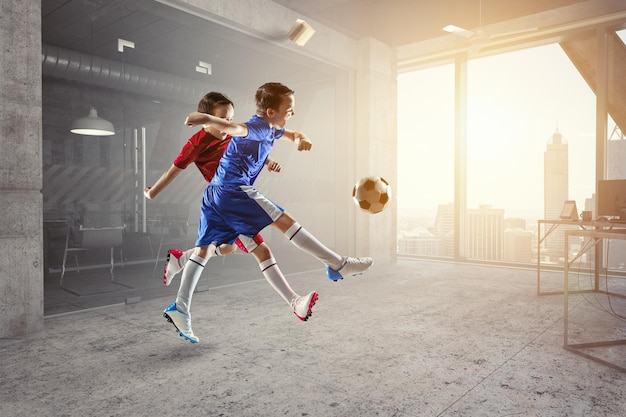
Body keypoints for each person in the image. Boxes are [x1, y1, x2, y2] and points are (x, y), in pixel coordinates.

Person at [164, 82, 373, 344]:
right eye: (290, 109)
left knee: (214, 250)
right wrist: (205, 118)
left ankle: (181, 305)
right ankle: (337, 264)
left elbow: (291, 132)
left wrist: (301, 138)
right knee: (284, 221)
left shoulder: (272, 127)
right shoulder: (258, 127)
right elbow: (235, 128)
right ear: (272, 111)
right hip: (234, 191)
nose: (292, 113)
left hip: (216, 196)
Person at [144, 92, 275, 287]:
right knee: (260, 250)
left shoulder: (231, 135)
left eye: (230, 119)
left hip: (233, 197)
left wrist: (268, 161)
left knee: (228, 248)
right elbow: (172, 172)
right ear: (206, 120)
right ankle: (294, 300)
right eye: (222, 120)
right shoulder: (196, 143)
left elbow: (249, 151)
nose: (227, 124)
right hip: (226, 202)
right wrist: (152, 192)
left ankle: (180, 259)